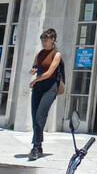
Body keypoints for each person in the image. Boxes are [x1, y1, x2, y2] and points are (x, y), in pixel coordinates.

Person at [28, 28, 63, 161]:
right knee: (35, 117)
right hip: (38, 87)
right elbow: (35, 68)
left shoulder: (56, 54)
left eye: (46, 40)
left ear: (53, 39)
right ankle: (39, 144)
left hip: (50, 87)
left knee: (40, 116)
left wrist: (35, 80)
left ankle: (35, 147)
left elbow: (49, 73)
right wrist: (32, 72)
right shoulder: (39, 53)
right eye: (42, 40)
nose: (44, 42)